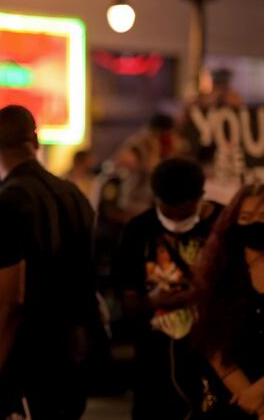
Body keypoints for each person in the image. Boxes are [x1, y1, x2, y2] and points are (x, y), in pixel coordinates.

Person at [0, 105, 98, 419]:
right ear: (36, 141)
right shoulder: (74, 196)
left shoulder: (3, 204)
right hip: (73, 351)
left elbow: (7, 301)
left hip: (26, 359)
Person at [115, 157, 223, 419]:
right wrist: (152, 302)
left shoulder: (224, 224)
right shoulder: (138, 230)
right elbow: (125, 299)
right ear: (155, 199)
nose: (176, 221)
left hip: (214, 356)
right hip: (154, 362)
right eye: (167, 213)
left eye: (185, 214)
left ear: (200, 198)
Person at [195, 184, 264, 419]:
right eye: (246, 217)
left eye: (263, 216)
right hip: (234, 399)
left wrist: (259, 393)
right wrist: (249, 398)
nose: (256, 224)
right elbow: (213, 345)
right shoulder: (220, 273)